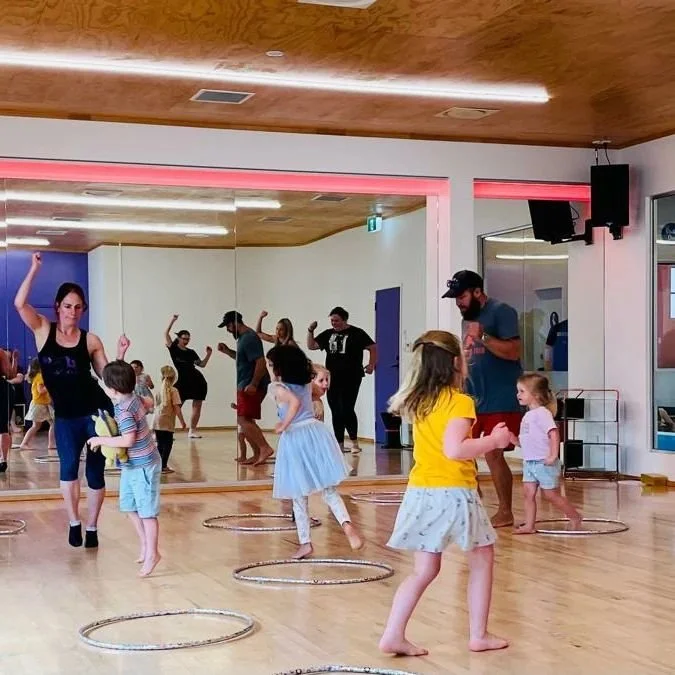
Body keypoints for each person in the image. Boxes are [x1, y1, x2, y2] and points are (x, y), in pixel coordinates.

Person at [379, 330, 510, 656]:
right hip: (452, 493)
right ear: (455, 363)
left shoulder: (420, 401)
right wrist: (494, 441)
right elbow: (456, 449)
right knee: (482, 559)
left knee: (424, 570)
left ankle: (393, 634)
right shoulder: (459, 402)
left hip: (421, 491)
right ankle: (478, 635)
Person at [14, 252, 129, 548]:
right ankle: (74, 522)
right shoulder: (42, 329)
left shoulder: (91, 340)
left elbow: (108, 378)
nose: (72, 311)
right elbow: (19, 304)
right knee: (67, 470)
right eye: (67, 306)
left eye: (78, 307)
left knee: (94, 472)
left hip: (95, 413)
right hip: (65, 416)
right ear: (58, 307)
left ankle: (92, 527)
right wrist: (34, 269)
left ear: (83, 310)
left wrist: (120, 355)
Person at [267, 344, 363, 559]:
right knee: (328, 489)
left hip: (295, 437)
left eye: (272, 364)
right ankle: (347, 525)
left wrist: (284, 424)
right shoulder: (304, 383)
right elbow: (317, 393)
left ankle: (305, 543)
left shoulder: (277, 387)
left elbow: (293, 403)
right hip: (315, 432)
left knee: (299, 495)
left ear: (279, 367)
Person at [443, 270, 522, 528]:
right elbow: (471, 353)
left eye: (462, 296)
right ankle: (472, 507)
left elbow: (513, 352)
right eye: (455, 298)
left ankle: (506, 511)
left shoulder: (502, 311)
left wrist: (483, 337)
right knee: (462, 453)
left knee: (493, 454)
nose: (458, 302)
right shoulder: (468, 318)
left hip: (500, 395)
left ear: (477, 292)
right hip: (471, 395)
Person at [88, 360, 161, 577]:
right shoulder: (134, 398)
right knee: (129, 506)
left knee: (147, 513)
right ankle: (145, 545)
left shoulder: (125, 411)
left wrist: (100, 440)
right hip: (132, 465)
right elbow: (148, 402)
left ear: (112, 389)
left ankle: (153, 553)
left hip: (144, 466)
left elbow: (128, 440)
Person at [511, 373, 581, 534]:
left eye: (522, 391)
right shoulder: (528, 416)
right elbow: (530, 441)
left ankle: (575, 516)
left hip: (544, 462)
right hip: (530, 463)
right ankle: (529, 525)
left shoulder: (543, 414)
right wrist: (515, 441)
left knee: (550, 495)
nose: (518, 395)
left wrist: (553, 455)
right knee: (528, 494)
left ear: (535, 395)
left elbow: (554, 434)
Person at [307, 307, 377, 454]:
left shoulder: (357, 333)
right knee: (335, 409)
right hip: (332, 378)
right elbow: (312, 345)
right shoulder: (328, 334)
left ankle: (354, 442)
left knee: (347, 408)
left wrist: (371, 364)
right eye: (332, 320)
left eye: (337, 320)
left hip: (352, 376)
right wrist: (310, 330)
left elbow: (373, 347)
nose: (334, 323)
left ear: (345, 320)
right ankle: (339, 443)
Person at [217, 311, 274, 466]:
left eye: (228, 326)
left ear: (235, 323)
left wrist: (254, 384)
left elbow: (260, 362)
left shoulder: (249, 337)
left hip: (250, 385)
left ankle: (264, 448)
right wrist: (227, 351)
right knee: (246, 419)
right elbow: (244, 358)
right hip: (247, 383)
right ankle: (257, 454)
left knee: (242, 419)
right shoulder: (243, 338)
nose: (228, 330)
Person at [164, 315, 212, 439]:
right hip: (183, 381)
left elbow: (202, 364)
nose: (186, 341)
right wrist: (173, 320)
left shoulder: (191, 352)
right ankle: (167, 431)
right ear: (179, 338)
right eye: (184, 338)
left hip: (197, 380)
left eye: (188, 339)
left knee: (197, 406)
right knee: (174, 406)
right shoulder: (173, 349)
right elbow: (166, 333)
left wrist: (208, 354)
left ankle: (192, 430)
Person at [154, 365, 186, 473]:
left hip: (157, 420)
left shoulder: (158, 390)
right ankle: (163, 466)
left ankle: (158, 465)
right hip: (167, 420)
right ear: (174, 377)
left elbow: (155, 405)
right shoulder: (174, 390)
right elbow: (177, 408)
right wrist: (182, 421)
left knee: (160, 443)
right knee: (168, 443)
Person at [19, 357, 56, 451]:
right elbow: (41, 390)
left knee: (53, 423)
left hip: (44, 404)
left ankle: (51, 444)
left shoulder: (40, 375)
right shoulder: (39, 376)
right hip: (39, 405)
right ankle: (24, 443)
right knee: (36, 426)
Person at [0, 348, 18, 473]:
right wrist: (14, 360)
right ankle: (2, 460)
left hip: (2, 390)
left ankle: (2, 460)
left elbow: (10, 375)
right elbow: (10, 374)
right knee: (2, 427)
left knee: (2, 427)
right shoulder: (1, 352)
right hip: (2, 389)